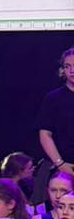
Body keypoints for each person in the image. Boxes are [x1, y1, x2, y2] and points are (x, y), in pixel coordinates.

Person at [37, 45, 74, 192]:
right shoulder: (53, 98)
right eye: (67, 66)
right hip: (60, 166)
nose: (72, 70)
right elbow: (45, 134)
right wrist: (60, 164)